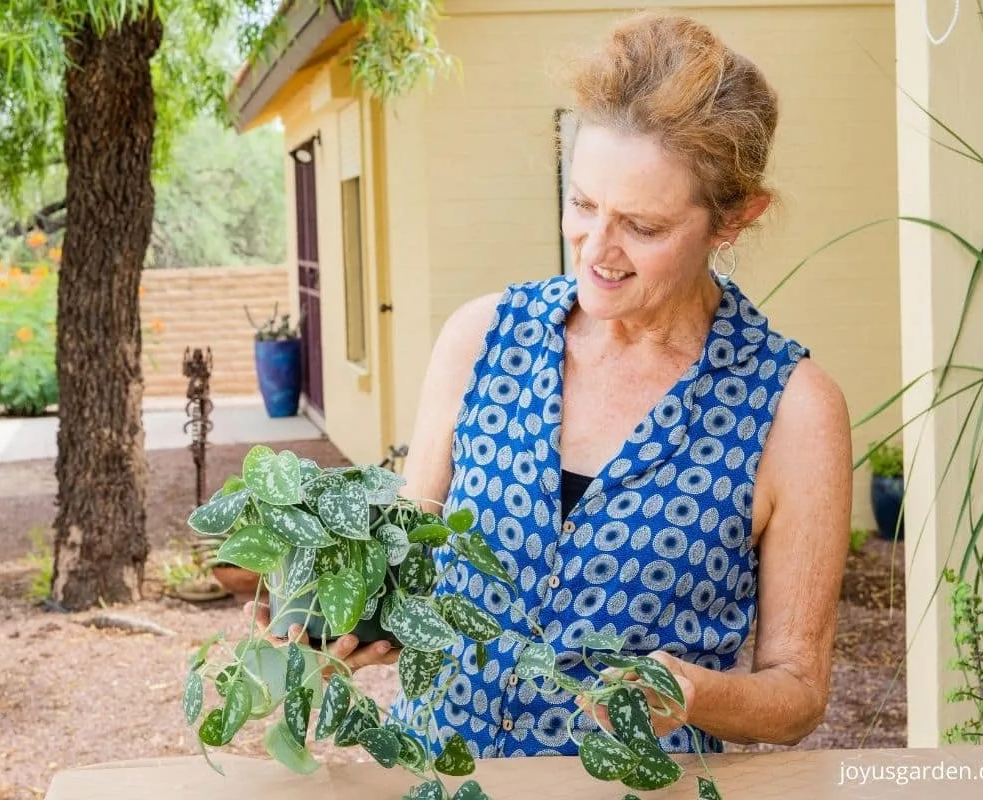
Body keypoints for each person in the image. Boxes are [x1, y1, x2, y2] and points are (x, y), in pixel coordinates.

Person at [247, 11, 852, 759]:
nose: (598, 249)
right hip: (443, 775)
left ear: (731, 221)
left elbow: (797, 693)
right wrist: (342, 608)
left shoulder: (792, 408)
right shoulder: (478, 341)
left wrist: (694, 693)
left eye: (644, 227)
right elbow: (408, 551)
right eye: (583, 203)